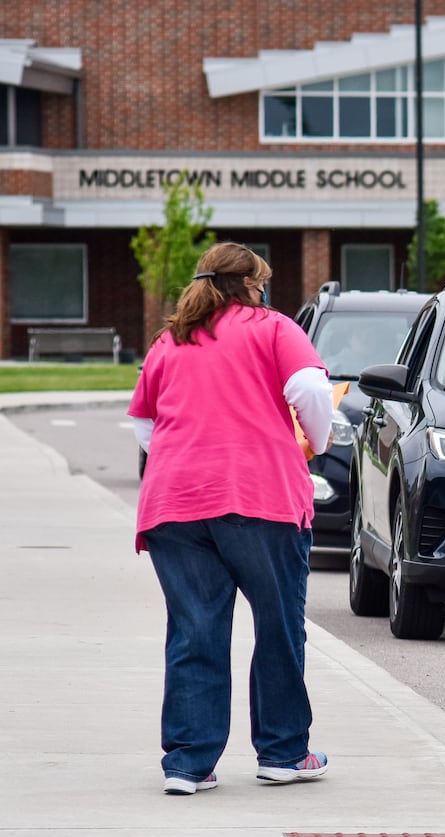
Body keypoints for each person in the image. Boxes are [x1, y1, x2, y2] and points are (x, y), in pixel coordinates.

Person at [129, 242, 335, 795]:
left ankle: (188, 763)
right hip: (258, 496)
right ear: (252, 283)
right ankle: (284, 751)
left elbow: (145, 427)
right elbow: (311, 388)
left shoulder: (170, 340)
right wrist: (316, 440)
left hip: (175, 501)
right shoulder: (273, 327)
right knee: (278, 625)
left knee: (194, 627)